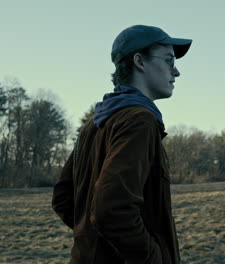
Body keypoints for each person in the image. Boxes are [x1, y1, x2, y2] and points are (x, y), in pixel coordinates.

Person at [52, 24, 192, 264]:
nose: (176, 72)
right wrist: (152, 258)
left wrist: (94, 244)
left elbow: (64, 199)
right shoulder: (139, 120)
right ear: (140, 61)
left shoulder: (96, 122)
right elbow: (112, 210)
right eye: (169, 60)